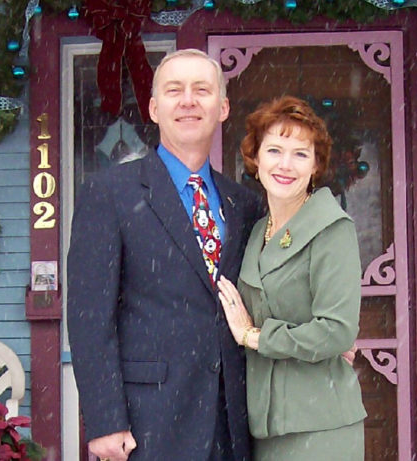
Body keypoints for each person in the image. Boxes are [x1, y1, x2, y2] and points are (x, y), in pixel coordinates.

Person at [67, 49, 261, 461]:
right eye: (174, 90)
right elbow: (89, 318)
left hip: (234, 422)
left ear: (222, 107)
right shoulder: (110, 193)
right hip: (148, 422)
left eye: (202, 90)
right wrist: (105, 421)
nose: (188, 101)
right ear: (154, 108)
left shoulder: (244, 203)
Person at [215, 96, 367, 460]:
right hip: (265, 426)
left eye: (301, 153)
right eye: (274, 150)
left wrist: (254, 336)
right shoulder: (255, 231)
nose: (286, 165)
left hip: (320, 423)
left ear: (316, 165)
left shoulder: (331, 228)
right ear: (255, 158)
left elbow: (336, 331)